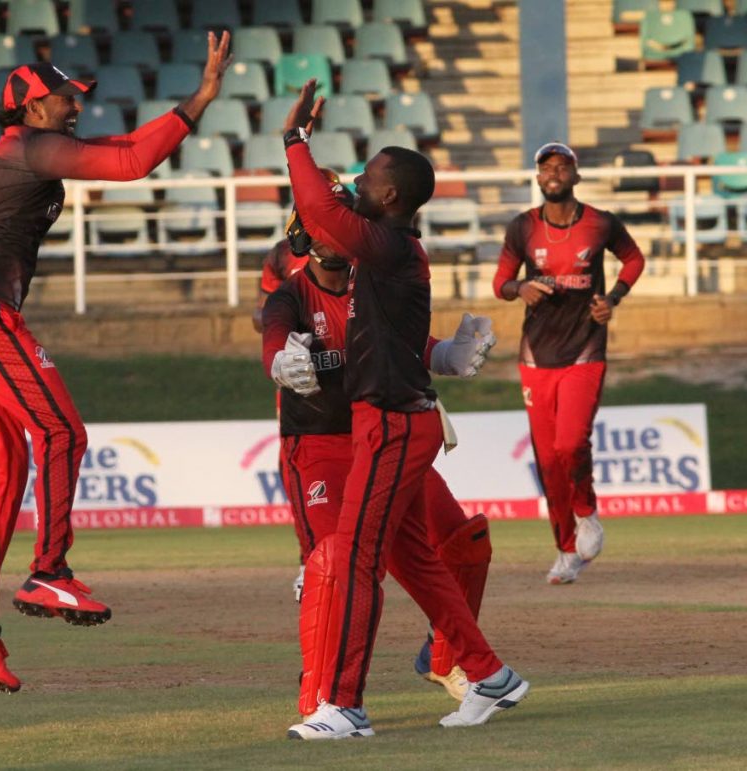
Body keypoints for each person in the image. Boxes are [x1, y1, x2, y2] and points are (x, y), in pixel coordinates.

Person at [0, 35, 232, 694]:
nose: (74, 107)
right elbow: (131, 166)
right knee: (62, 431)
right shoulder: (31, 147)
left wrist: (197, 99)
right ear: (32, 106)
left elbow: (121, 152)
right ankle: (49, 572)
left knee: (4, 469)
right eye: (65, 97)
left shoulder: (25, 147)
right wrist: (200, 98)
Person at [281, 80, 528, 740]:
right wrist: (443, 352)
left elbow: (316, 207)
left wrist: (293, 140)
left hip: (393, 423)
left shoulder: (386, 247)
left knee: (357, 558)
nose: (357, 183)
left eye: (368, 178)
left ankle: (345, 705)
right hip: (391, 421)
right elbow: (324, 217)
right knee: (416, 562)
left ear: (391, 196)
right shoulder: (387, 247)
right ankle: (491, 674)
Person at [262, 169, 498, 718]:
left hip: (385, 435)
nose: (331, 236)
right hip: (320, 444)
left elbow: (404, 342)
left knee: (464, 542)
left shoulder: (374, 277)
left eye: (338, 223)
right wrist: (278, 359)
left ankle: (452, 660)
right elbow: (274, 334)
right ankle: (322, 697)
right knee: (333, 564)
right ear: (301, 232)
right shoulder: (290, 295)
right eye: (320, 226)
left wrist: (445, 356)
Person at [492, 142, 645, 585]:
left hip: (584, 349)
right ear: (538, 178)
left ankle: (587, 512)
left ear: (576, 176)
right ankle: (565, 549)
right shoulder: (522, 228)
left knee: (570, 444)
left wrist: (612, 298)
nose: (554, 172)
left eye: (563, 166)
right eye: (546, 167)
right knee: (547, 461)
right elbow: (500, 282)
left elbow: (633, 259)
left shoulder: (599, 223)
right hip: (536, 356)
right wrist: (520, 288)